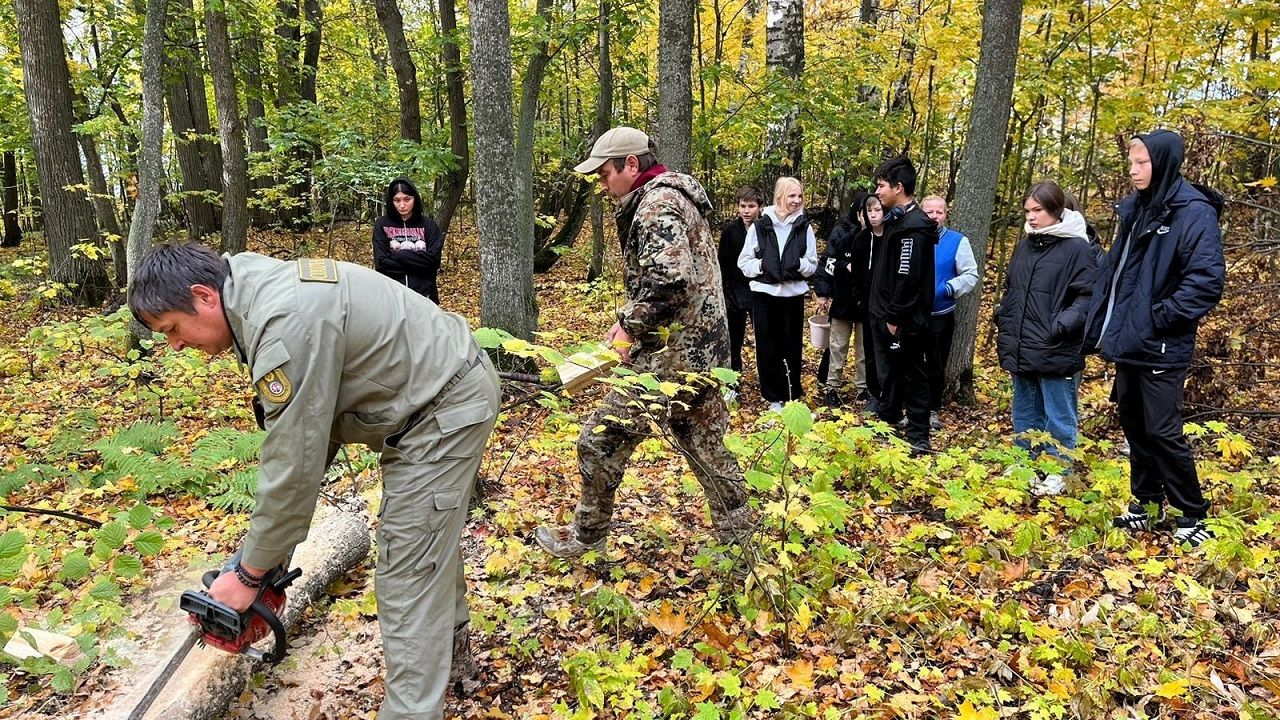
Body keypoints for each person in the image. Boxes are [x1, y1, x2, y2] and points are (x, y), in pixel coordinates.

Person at [128, 243, 499, 720]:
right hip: (431, 398)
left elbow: (294, 462)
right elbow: (306, 442)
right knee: (425, 545)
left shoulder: (285, 325)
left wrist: (248, 576)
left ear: (203, 296)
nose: (175, 345)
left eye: (173, 329)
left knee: (407, 570)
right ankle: (453, 659)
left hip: (442, 409)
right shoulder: (253, 292)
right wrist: (260, 561)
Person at [534, 127, 754, 558]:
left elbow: (671, 279)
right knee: (706, 448)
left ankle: (586, 537)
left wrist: (628, 326)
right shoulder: (671, 198)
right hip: (702, 352)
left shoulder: (656, 205)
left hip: (671, 358)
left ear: (631, 165)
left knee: (601, 439)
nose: (602, 184)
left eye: (605, 174)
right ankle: (744, 543)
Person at [1083, 129, 1226, 547]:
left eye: (1141, 162)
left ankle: (1192, 514)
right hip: (1131, 340)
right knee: (1134, 423)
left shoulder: (1191, 212)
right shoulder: (1137, 209)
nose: (1133, 170)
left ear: (1162, 162)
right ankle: (1146, 504)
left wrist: (1158, 316)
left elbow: (1206, 280)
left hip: (1162, 341)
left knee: (1163, 429)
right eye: (1131, 162)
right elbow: (1119, 273)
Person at [995, 182, 1098, 495]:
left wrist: (1064, 324)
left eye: (1038, 210)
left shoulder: (1076, 247)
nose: (1032, 217)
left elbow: (1088, 294)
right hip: (1022, 340)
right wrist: (1004, 316)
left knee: (1059, 412)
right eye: (1027, 211)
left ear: (1056, 210)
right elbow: (1012, 287)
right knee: (1024, 408)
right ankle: (1024, 460)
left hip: (1056, 344)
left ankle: (1058, 469)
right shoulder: (1026, 244)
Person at [868, 156, 936, 455]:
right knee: (890, 374)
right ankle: (889, 422)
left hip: (904, 320)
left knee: (912, 374)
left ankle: (919, 435)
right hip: (883, 314)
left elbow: (906, 277)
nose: (878, 192)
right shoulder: (896, 220)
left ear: (898, 187)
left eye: (881, 186)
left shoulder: (913, 228)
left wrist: (895, 316)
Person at [737, 177, 819, 412]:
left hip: (793, 296)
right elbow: (744, 262)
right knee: (767, 346)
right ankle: (773, 397)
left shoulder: (804, 227)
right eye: (792, 196)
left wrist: (799, 265)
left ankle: (791, 395)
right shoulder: (761, 226)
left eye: (800, 196)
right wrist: (763, 266)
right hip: (765, 294)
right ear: (780, 196)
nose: (797, 200)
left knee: (792, 347)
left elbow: (813, 263)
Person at [920, 195, 978, 430]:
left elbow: (970, 274)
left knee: (936, 364)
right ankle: (912, 408)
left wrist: (949, 288)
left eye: (939, 212)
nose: (934, 216)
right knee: (911, 364)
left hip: (940, 315)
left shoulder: (957, 241)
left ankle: (932, 409)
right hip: (911, 315)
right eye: (929, 212)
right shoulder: (911, 237)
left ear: (946, 215)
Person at [814, 198, 868, 406]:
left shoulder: (879, 236)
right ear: (857, 213)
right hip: (843, 300)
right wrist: (823, 291)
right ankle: (832, 386)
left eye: (873, 211)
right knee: (837, 346)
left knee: (864, 349)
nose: (868, 216)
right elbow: (828, 262)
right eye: (864, 212)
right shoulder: (843, 235)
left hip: (866, 304)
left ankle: (863, 388)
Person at [373, 177, 445, 304]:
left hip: (425, 296)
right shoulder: (382, 224)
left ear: (415, 198)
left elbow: (434, 261)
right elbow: (381, 263)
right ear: (391, 201)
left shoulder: (428, 225)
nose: (402, 205)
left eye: (407, 199)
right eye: (397, 200)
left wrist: (399, 255)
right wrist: (420, 264)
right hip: (392, 297)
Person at [718, 187, 765, 376]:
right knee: (733, 341)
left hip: (760, 294)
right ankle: (733, 380)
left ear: (760, 207)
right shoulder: (729, 232)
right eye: (742, 206)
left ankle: (766, 381)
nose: (746, 211)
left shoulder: (766, 231)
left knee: (764, 340)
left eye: (751, 206)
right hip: (734, 295)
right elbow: (723, 264)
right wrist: (726, 294)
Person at [852, 192, 885, 411]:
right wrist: (860, 300)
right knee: (870, 352)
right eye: (869, 211)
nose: (873, 215)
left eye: (878, 210)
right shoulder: (861, 240)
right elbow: (856, 274)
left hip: (888, 306)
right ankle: (874, 394)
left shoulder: (894, 236)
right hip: (867, 306)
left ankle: (891, 395)